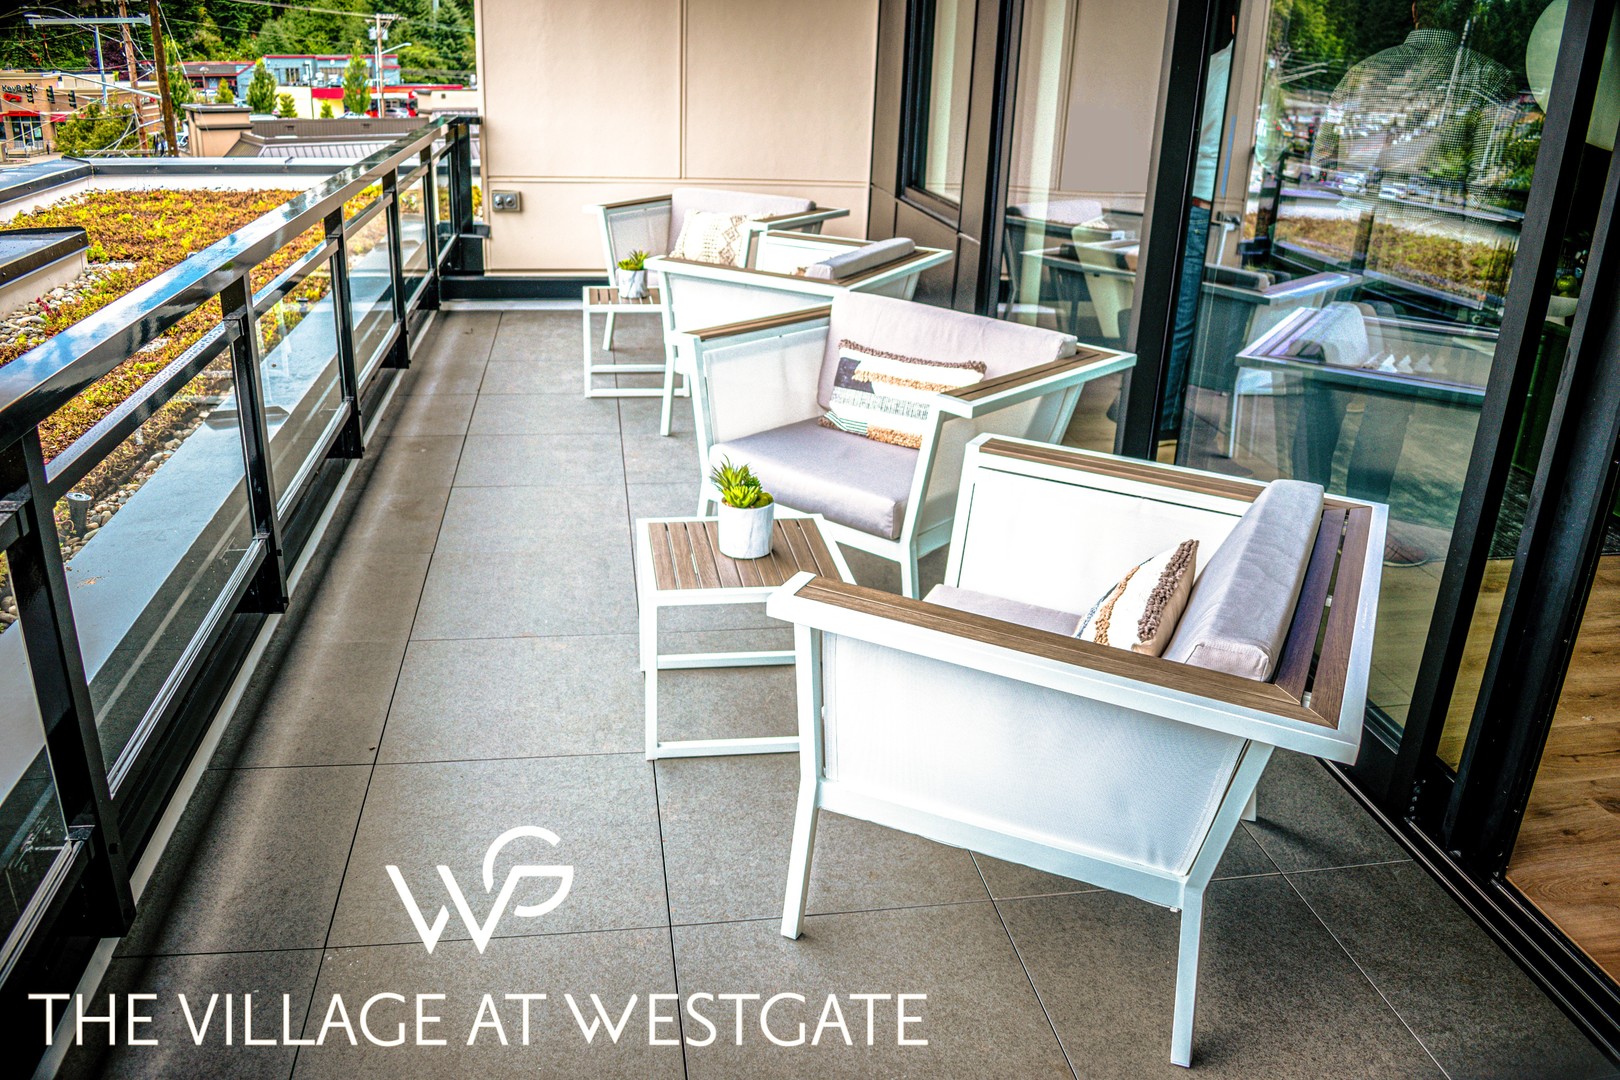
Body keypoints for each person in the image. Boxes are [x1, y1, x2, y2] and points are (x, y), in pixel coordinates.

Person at [1293, 1, 1512, 565]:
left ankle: (1300, 511)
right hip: (1422, 258)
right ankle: (1366, 528)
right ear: (1469, 13)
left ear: (1415, 10)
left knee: (1325, 379)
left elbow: (1323, 164)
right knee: (1392, 394)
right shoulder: (1482, 79)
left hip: (1348, 245)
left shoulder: (1363, 72)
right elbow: (1485, 190)